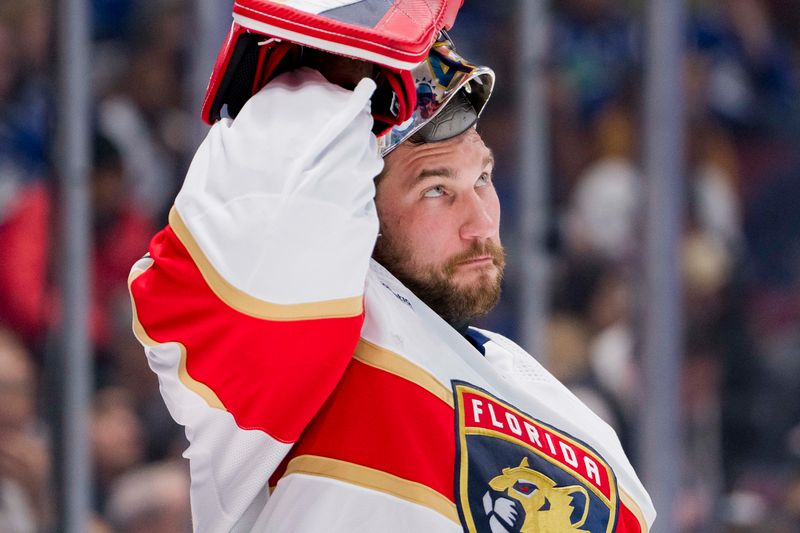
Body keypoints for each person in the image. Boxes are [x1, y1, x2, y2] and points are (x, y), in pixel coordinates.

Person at [129, 9, 655, 532]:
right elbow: (265, 198)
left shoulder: (591, 439)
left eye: (483, 179)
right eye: (435, 189)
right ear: (361, 205)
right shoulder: (304, 347)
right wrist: (356, 54)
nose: (480, 222)